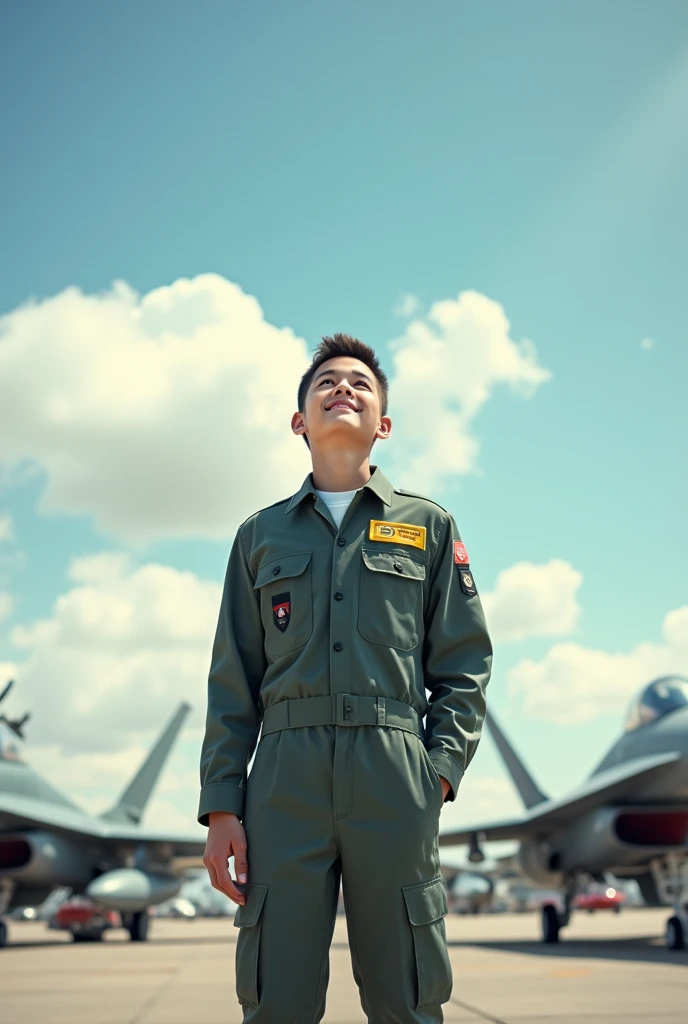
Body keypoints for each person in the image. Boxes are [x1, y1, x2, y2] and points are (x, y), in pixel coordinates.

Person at [198, 333, 493, 1023]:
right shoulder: (260, 536)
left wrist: (437, 773)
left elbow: (464, 664)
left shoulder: (428, 526)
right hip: (284, 781)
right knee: (278, 997)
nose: (343, 389)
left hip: (395, 772)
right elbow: (232, 679)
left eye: (360, 383)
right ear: (299, 420)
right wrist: (221, 808)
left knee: (407, 998)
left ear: (383, 424)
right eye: (326, 382)